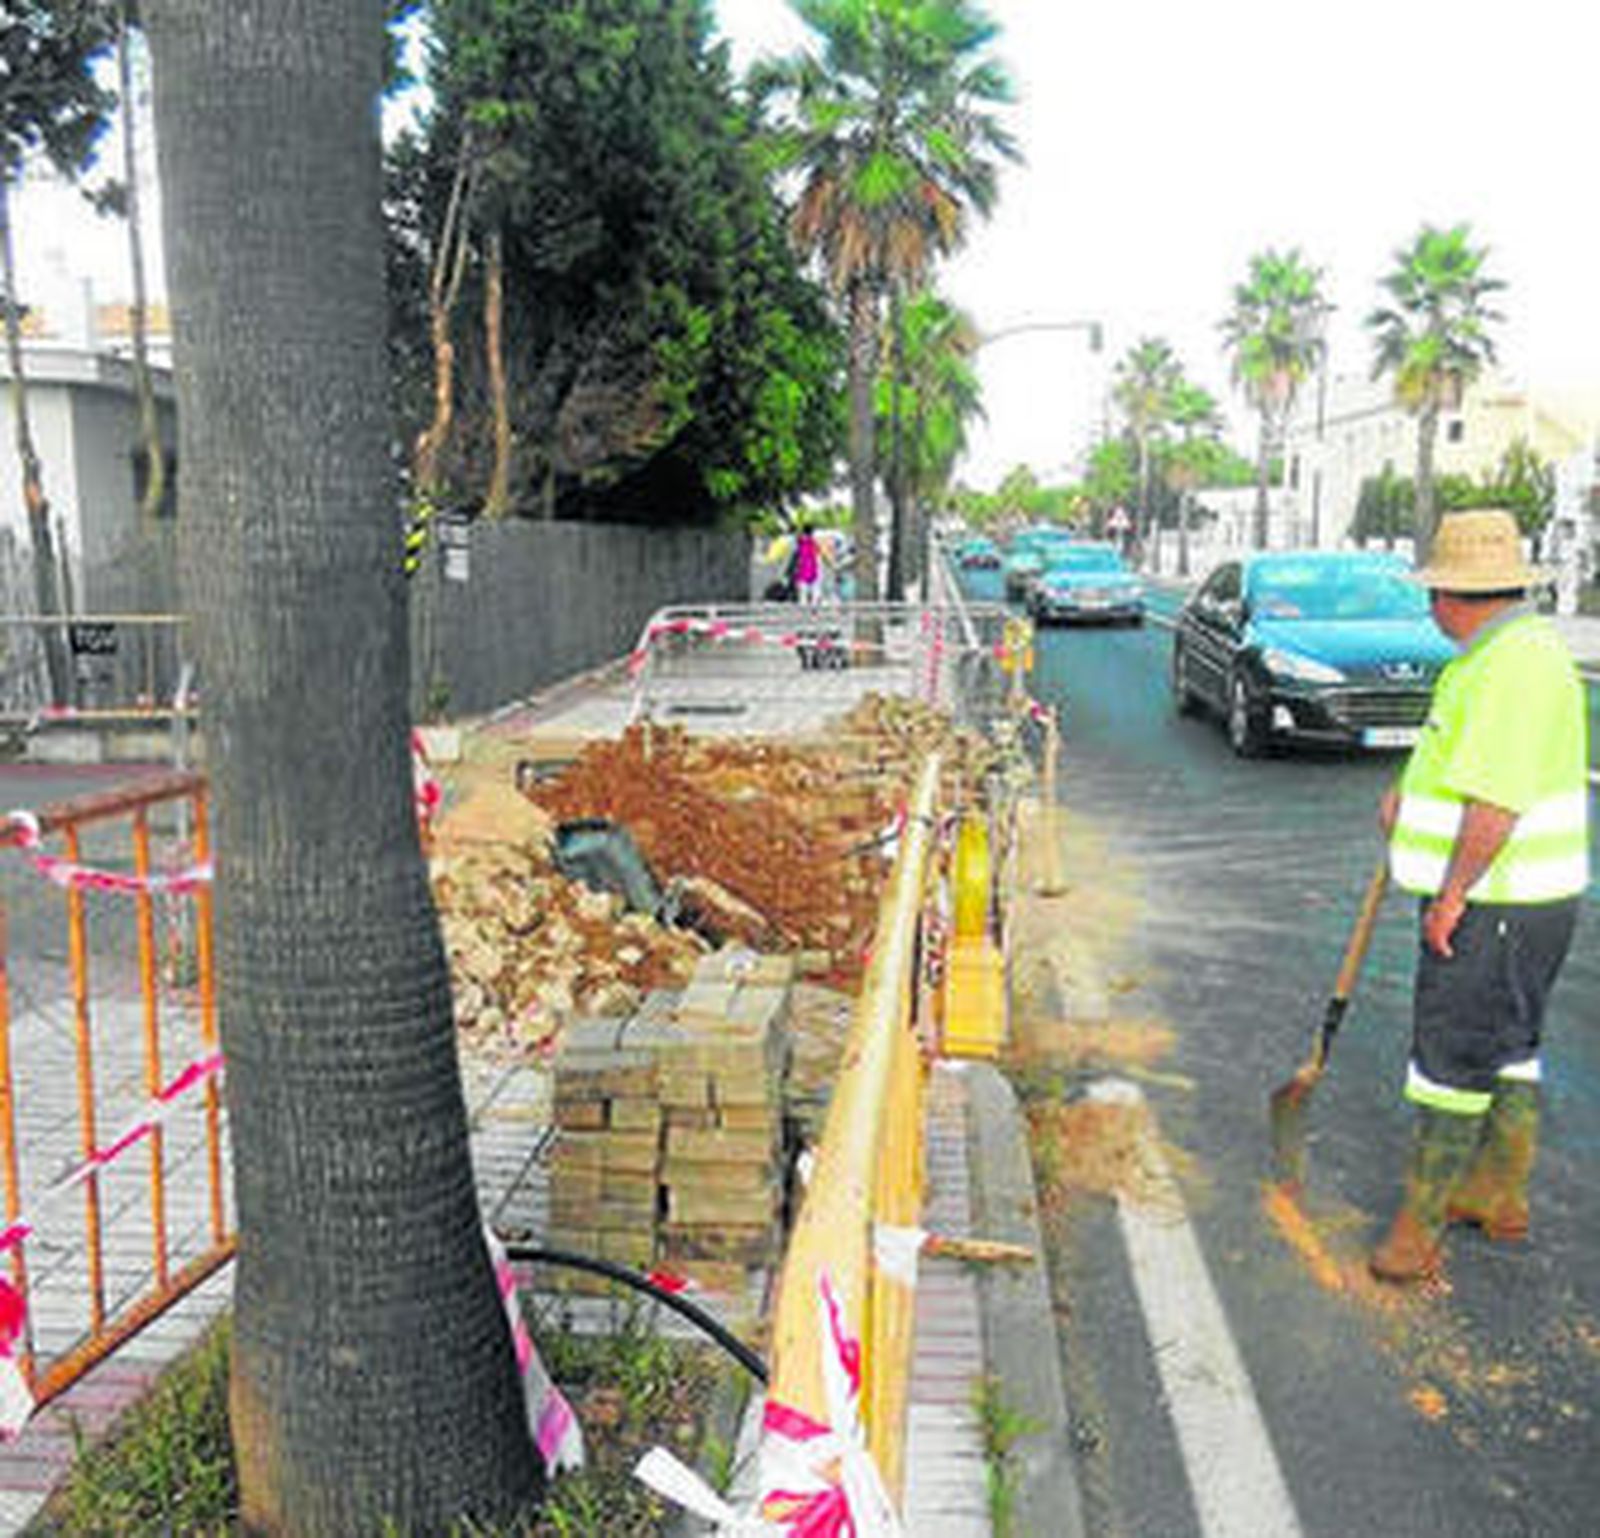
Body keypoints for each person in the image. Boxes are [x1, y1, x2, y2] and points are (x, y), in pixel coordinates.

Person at [1370, 510, 1589, 1284]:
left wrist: (1452, 897)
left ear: (1456, 596)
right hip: (1523, 904)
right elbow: (1458, 762)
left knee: (1453, 1059)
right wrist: (1405, 795)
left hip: (1497, 904)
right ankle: (1497, 1195)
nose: (1430, 608)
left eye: (1434, 594)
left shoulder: (1511, 669)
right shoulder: (1501, 656)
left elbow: (1494, 803)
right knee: (1510, 1044)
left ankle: (1417, 1230)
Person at [792, 523, 824, 605]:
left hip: (803, 568)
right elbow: (818, 555)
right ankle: (814, 608)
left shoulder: (800, 542)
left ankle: (804, 608)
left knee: (803, 592)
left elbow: (797, 554)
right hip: (813, 567)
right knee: (815, 590)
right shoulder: (814, 542)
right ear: (812, 532)